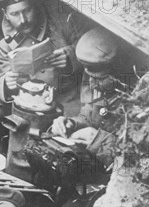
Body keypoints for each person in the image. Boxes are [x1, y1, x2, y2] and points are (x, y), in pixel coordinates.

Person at [0, 0, 87, 143]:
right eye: (15, 14)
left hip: (64, 95)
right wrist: (7, 83)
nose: (23, 20)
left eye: (27, 11)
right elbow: (0, 78)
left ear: (35, 6)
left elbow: (91, 45)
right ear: (5, 14)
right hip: (27, 98)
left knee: (68, 131)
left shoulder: (61, 22)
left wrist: (69, 57)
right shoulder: (7, 44)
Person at [49, 27, 126, 169]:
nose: (91, 83)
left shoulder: (139, 101)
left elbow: (137, 157)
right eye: (89, 76)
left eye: (98, 78)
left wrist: (97, 139)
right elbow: (89, 115)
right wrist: (71, 123)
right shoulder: (99, 83)